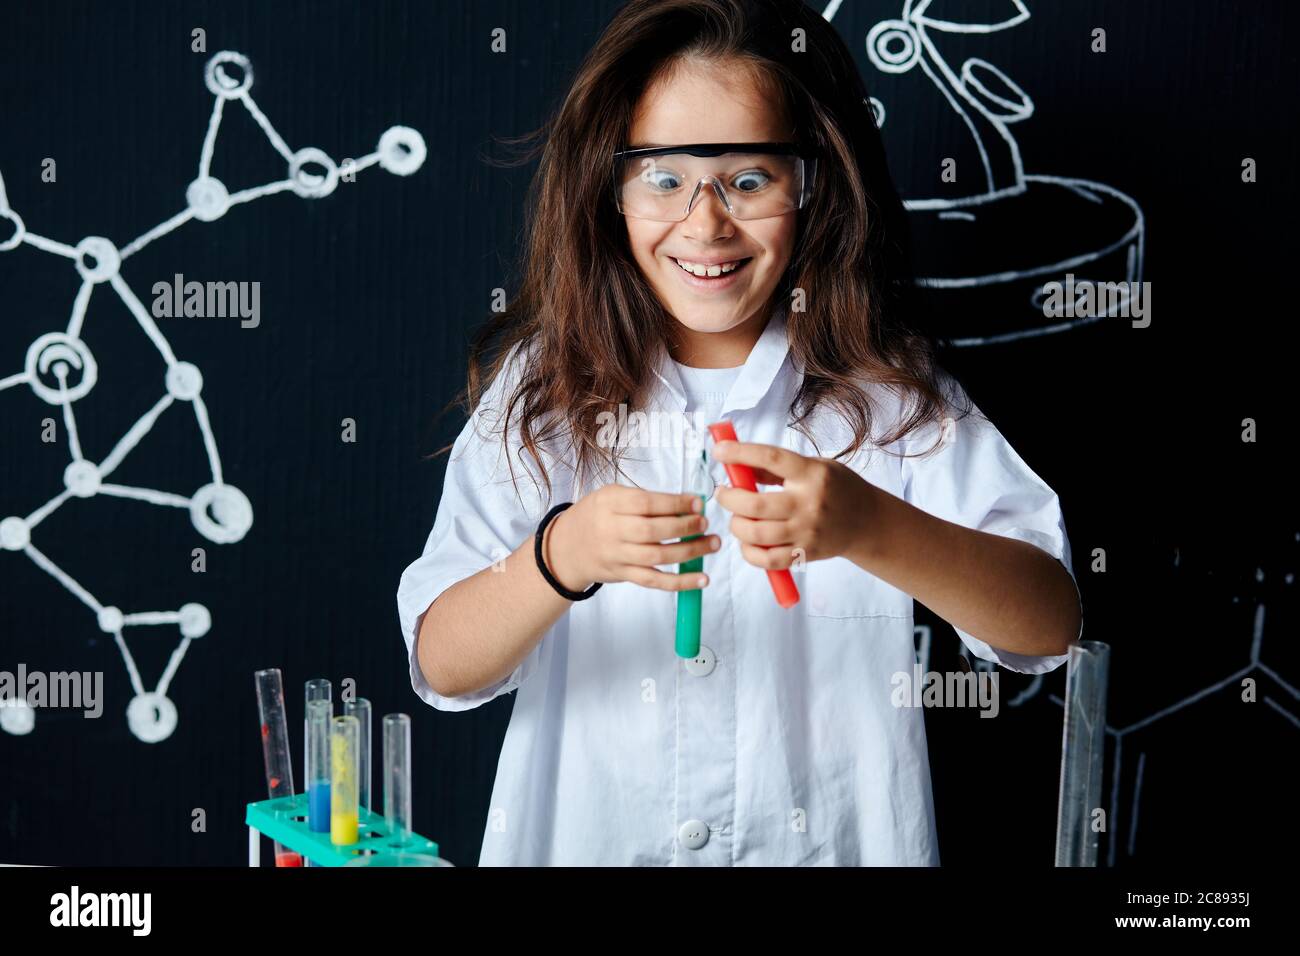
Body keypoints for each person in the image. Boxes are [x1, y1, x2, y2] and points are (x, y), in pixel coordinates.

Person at [397, 0, 1083, 865]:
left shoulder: (884, 393)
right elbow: (443, 662)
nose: (706, 222)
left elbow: (1049, 623)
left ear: (814, 188)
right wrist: (558, 556)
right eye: (663, 177)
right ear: (608, 192)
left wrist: (872, 526)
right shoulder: (544, 387)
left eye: (749, 179)